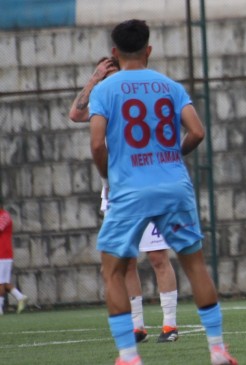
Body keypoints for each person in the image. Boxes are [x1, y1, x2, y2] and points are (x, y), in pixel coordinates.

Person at [88, 19, 237, 365]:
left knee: (112, 270)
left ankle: (128, 356)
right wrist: (171, 156)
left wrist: (108, 177)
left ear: (114, 53)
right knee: (195, 265)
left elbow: (97, 143)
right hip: (174, 186)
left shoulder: (105, 90)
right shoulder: (169, 86)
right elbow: (197, 132)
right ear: (149, 50)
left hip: (129, 189)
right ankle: (217, 350)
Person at [70, 57, 180, 343]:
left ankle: (170, 325)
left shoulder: (141, 101)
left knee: (158, 256)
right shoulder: (103, 103)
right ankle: (137, 326)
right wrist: (94, 78)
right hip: (116, 194)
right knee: (126, 261)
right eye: (108, 76)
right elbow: (75, 114)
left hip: (146, 188)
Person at [0, 197, 28, 315]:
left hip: (3, 253)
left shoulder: (4, 215)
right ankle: (20, 297)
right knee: (4, 281)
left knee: (0, 282)